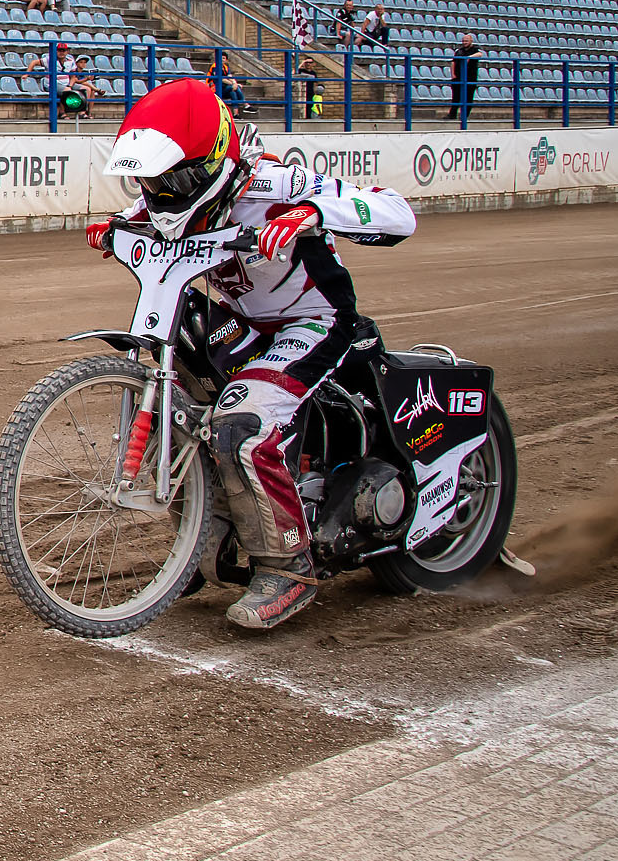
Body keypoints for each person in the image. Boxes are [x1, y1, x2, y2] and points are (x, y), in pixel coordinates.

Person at [91, 79, 417, 631]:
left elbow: (398, 214)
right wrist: (117, 228)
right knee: (179, 396)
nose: (160, 191)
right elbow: (153, 213)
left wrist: (311, 213)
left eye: (174, 179)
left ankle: (289, 565)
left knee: (240, 422)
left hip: (316, 322)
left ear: (215, 158)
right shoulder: (172, 198)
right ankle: (202, 538)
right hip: (245, 325)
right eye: (149, 181)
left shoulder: (278, 182)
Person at [447, 33, 483, 123]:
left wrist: (468, 57)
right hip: (458, 77)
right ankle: (452, 115)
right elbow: (453, 62)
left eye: (466, 41)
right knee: (456, 97)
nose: (464, 42)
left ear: (471, 41)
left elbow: (479, 54)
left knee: (469, 98)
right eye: (463, 41)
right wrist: (453, 74)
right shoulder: (459, 51)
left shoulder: (474, 49)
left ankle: (464, 116)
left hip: (470, 77)